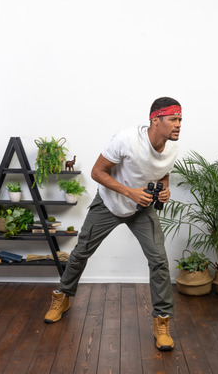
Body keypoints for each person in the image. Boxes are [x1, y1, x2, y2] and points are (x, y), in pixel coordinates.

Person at [44, 96, 182, 352]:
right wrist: (129, 192)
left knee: (159, 261)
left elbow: (162, 174)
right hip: (109, 204)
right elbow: (97, 172)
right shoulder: (127, 139)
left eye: (180, 119)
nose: (178, 124)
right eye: (173, 119)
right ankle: (62, 297)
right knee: (81, 251)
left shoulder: (172, 147)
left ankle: (162, 321)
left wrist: (164, 190)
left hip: (142, 209)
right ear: (155, 120)